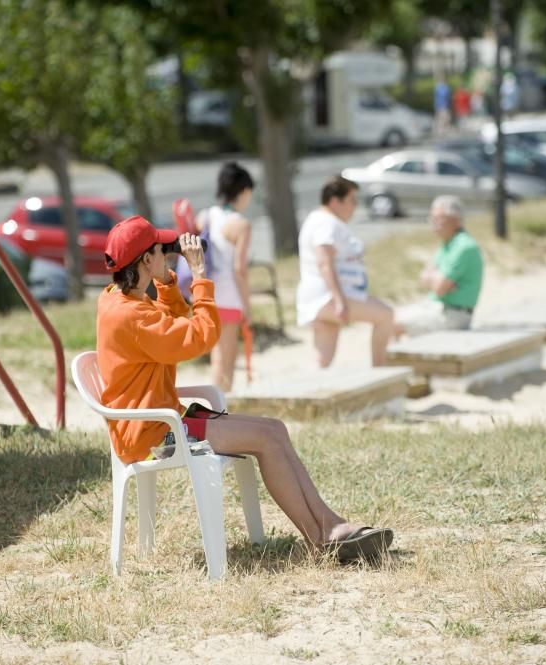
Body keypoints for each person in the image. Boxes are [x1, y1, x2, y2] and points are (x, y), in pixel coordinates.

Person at [95, 215, 394, 562]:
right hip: (153, 436)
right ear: (146, 259)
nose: (167, 255)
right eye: (162, 250)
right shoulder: (132, 317)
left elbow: (173, 324)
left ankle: (329, 526)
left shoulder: (118, 299)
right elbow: (200, 338)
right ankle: (322, 537)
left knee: (274, 429)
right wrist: (201, 278)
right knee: (266, 439)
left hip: (161, 422)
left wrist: (165, 284)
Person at [296, 176, 397, 368]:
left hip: (315, 296)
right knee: (385, 315)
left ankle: (308, 393)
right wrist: (339, 300)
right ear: (335, 201)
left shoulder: (317, 219)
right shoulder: (327, 222)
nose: (355, 206)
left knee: (322, 360)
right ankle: (380, 373)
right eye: (352, 200)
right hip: (328, 296)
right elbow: (324, 261)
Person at [196, 162, 255, 393]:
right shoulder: (241, 225)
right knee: (226, 357)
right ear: (244, 191)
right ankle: (219, 408)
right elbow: (240, 269)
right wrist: (247, 306)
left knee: (218, 354)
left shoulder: (207, 215)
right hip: (229, 295)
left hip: (207, 290)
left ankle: (218, 405)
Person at [398, 196, 484, 336]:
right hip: (438, 307)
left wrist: (437, 280)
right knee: (389, 317)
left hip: (453, 315)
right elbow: (423, 278)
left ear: (455, 219)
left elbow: (438, 287)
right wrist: (439, 280)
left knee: (394, 324)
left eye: (438, 218)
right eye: (432, 218)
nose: (433, 223)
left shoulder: (464, 246)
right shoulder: (448, 243)